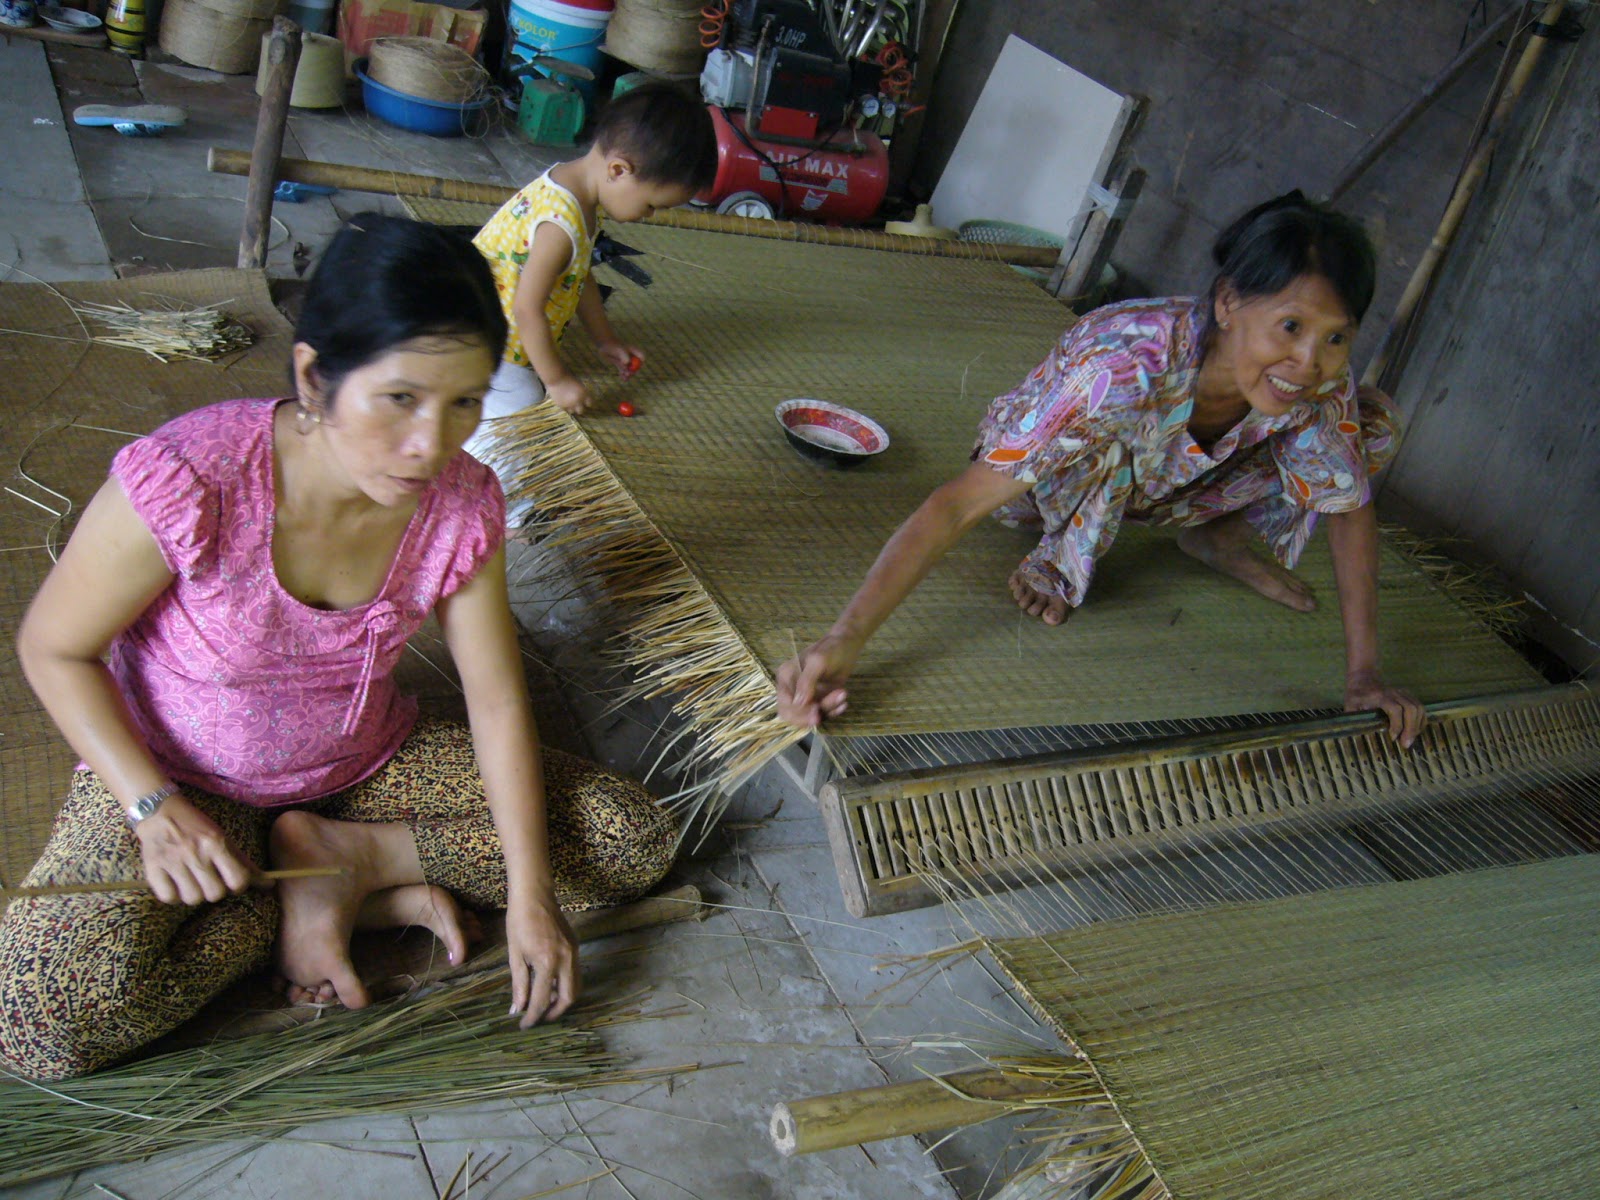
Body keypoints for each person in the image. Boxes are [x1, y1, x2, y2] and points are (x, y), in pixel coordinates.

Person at [0, 215, 678, 1082]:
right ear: (316, 377)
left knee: (630, 840)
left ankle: (344, 860)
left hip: (361, 771)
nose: (432, 445)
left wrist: (531, 902)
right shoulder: (195, 478)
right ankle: (299, 901)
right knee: (40, 1019)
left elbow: (497, 698)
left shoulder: (462, 505)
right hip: (175, 773)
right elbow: (54, 650)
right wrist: (150, 808)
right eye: (400, 399)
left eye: (465, 401)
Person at [777, 192, 1426, 747]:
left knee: (1369, 424)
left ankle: (1216, 538)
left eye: (1335, 337)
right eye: (1289, 327)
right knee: (1118, 434)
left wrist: (1364, 671)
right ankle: (1058, 559)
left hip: (1171, 482)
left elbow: (1348, 506)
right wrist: (846, 637)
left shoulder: (1311, 386)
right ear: (1228, 303)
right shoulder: (1121, 365)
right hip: (1045, 485)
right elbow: (956, 506)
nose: (1309, 360)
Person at [466, 83, 716, 494]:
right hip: (483, 335)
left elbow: (577, 276)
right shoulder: (559, 225)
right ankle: (497, 501)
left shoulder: (579, 191)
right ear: (619, 170)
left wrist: (605, 340)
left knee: (534, 384)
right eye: (652, 204)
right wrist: (558, 379)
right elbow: (527, 310)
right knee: (523, 405)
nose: (650, 216)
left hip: (494, 320)